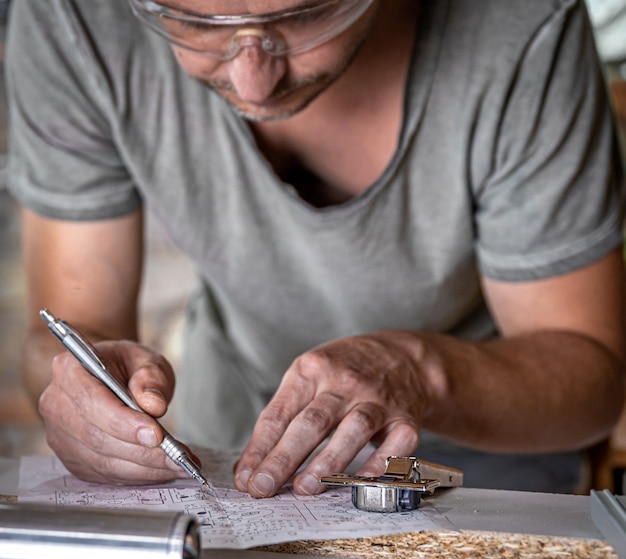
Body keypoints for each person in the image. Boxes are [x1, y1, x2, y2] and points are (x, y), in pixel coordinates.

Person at [6, 0, 625, 497]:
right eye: (197, 23)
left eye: (302, 17)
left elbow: (595, 383)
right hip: (225, 461)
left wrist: (419, 371)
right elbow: (68, 334)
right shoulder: (74, 20)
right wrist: (82, 398)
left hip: (480, 479)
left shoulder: (522, 26)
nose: (254, 82)